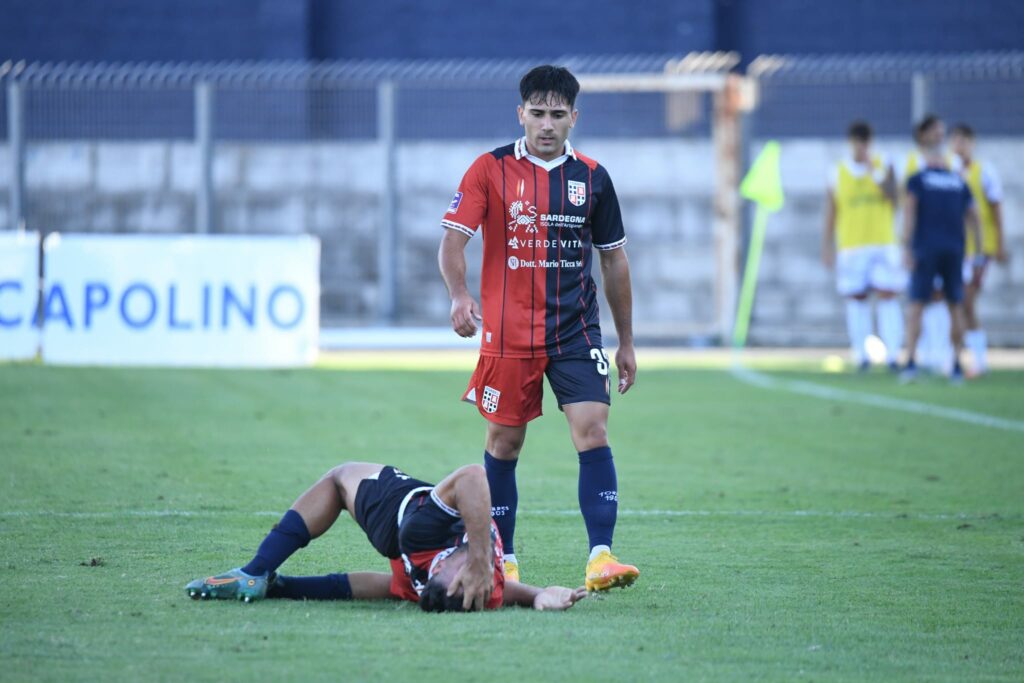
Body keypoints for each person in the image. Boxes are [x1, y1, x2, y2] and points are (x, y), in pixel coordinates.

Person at [437, 65, 639, 591]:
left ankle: (601, 557)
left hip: (576, 331)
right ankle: (504, 561)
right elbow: (453, 240)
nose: (547, 124)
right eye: (538, 113)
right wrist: (459, 294)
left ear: (574, 118)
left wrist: (626, 341)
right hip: (508, 335)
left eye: (557, 114)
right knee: (504, 444)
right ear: (520, 113)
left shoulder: (593, 178)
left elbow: (614, 260)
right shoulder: (489, 169)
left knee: (593, 430)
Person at [185, 462, 587, 612]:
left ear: (439, 572)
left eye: (463, 573)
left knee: (341, 478)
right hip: (411, 542)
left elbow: (472, 477)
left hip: (400, 517)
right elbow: (473, 475)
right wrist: (538, 595)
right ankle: (264, 578)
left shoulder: (427, 542)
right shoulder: (480, 591)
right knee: (394, 586)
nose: (474, 571)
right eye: (475, 576)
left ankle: (256, 571)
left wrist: (479, 558)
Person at [822, 121, 903, 371]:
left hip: (882, 242)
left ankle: (893, 355)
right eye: (857, 143)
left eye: (865, 142)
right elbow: (832, 210)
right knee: (856, 299)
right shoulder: (838, 171)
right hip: (852, 245)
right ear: (851, 143)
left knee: (887, 296)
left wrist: (873, 171)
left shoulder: (884, 164)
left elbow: (894, 198)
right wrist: (827, 245)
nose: (861, 148)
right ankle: (861, 354)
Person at [901, 143, 982, 384]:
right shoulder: (958, 181)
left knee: (916, 304)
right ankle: (956, 364)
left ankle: (911, 362)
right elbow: (974, 216)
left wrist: (906, 246)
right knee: (955, 305)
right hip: (955, 249)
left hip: (925, 249)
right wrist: (978, 251)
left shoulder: (918, 180)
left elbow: (909, 211)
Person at [949, 123, 1009, 376]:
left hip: (980, 249)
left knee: (967, 302)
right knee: (958, 304)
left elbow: (995, 208)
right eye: (956, 141)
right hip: (956, 248)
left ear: (972, 144)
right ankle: (961, 358)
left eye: (964, 141)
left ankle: (974, 359)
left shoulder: (984, 171)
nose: (959, 146)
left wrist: (1000, 244)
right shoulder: (948, 172)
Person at [904, 114, 959, 373]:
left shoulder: (952, 163)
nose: (940, 135)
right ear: (922, 134)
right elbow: (907, 206)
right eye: (935, 131)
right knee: (920, 301)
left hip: (951, 243)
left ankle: (945, 356)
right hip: (924, 244)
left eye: (942, 131)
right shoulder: (911, 163)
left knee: (949, 301)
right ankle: (917, 357)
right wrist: (907, 244)